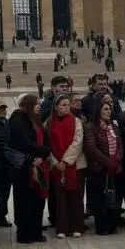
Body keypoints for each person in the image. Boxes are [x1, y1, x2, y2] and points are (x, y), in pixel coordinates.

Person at [8, 94, 52, 243]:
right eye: (35, 103)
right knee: (24, 201)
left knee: (37, 200)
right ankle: (25, 233)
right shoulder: (18, 118)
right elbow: (23, 142)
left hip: (38, 165)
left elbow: (46, 141)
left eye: (39, 103)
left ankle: (36, 231)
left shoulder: (36, 119)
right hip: (24, 167)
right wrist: (43, 152)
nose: (39, 105)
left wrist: (43, 156)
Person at [46, 94, 87, 239]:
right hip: (57, 166)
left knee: (75, 197)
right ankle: (62, 227)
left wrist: (65, 161)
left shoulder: (76, 121)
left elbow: (78, 142)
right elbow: (47, 145)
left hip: (75, 165)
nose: (66, 107)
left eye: (68, 105)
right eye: (63, 105)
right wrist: (56, 162)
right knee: (61, 198)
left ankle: (77, 227)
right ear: (56, 107)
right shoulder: (49, 123)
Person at [83, 98, 124, 235]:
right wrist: (107, 161)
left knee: (112, 198)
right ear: (98, 111)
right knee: (100, 198)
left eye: (109, 109)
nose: (109, 111)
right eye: (105, 109)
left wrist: (117, 158)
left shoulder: (114, 126)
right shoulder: (91, 126)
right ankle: (101, 226)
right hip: (98, 168)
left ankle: (112, 224)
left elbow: (120, 145)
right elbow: (91, 148)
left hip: (114, 168)